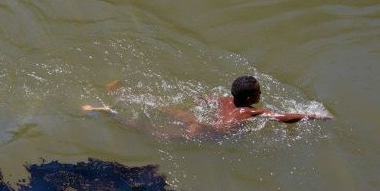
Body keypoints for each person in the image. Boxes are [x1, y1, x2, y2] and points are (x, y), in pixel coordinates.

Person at [82, 76, 331, 138]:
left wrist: (203, 103)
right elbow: (284, 117)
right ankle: (111, 113)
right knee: (151, 131)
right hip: (207, 131)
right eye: (259, 92)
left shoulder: (224, 99)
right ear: (252, 98)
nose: (261, 94)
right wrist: (314, 116)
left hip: (198, 120)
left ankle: (124, 91)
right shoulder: (252, 112)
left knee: (163, 107)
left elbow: (206, 100)